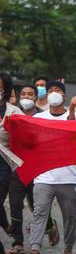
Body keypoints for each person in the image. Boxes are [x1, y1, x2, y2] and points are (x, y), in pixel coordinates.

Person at [18, 80, 76, 254]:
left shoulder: (73, 116)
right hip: (43, 177)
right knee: (39, 214)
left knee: (69, 217)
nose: (53, 93)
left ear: (64, 96)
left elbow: (75, 134)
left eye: (57, 90)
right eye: (50, 90)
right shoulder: (39, 118)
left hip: (67, 177)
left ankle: (68, 248)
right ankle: (35, 251)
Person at [8, 84, 60, 254]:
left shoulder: (42, 116)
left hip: (36, 169)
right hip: (17, 167)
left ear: (36, 97)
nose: (26, 97)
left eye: (30, 94)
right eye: (23, 94)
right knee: (15, 204)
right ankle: (18, 241)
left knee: (36, 207)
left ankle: (51, 227)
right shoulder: (12, 114)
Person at [0, 73, 24, 238]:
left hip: (5, 162)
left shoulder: (14, 111)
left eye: (0, 88)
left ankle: (8, 227)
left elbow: (26, 135)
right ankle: (7, 225)